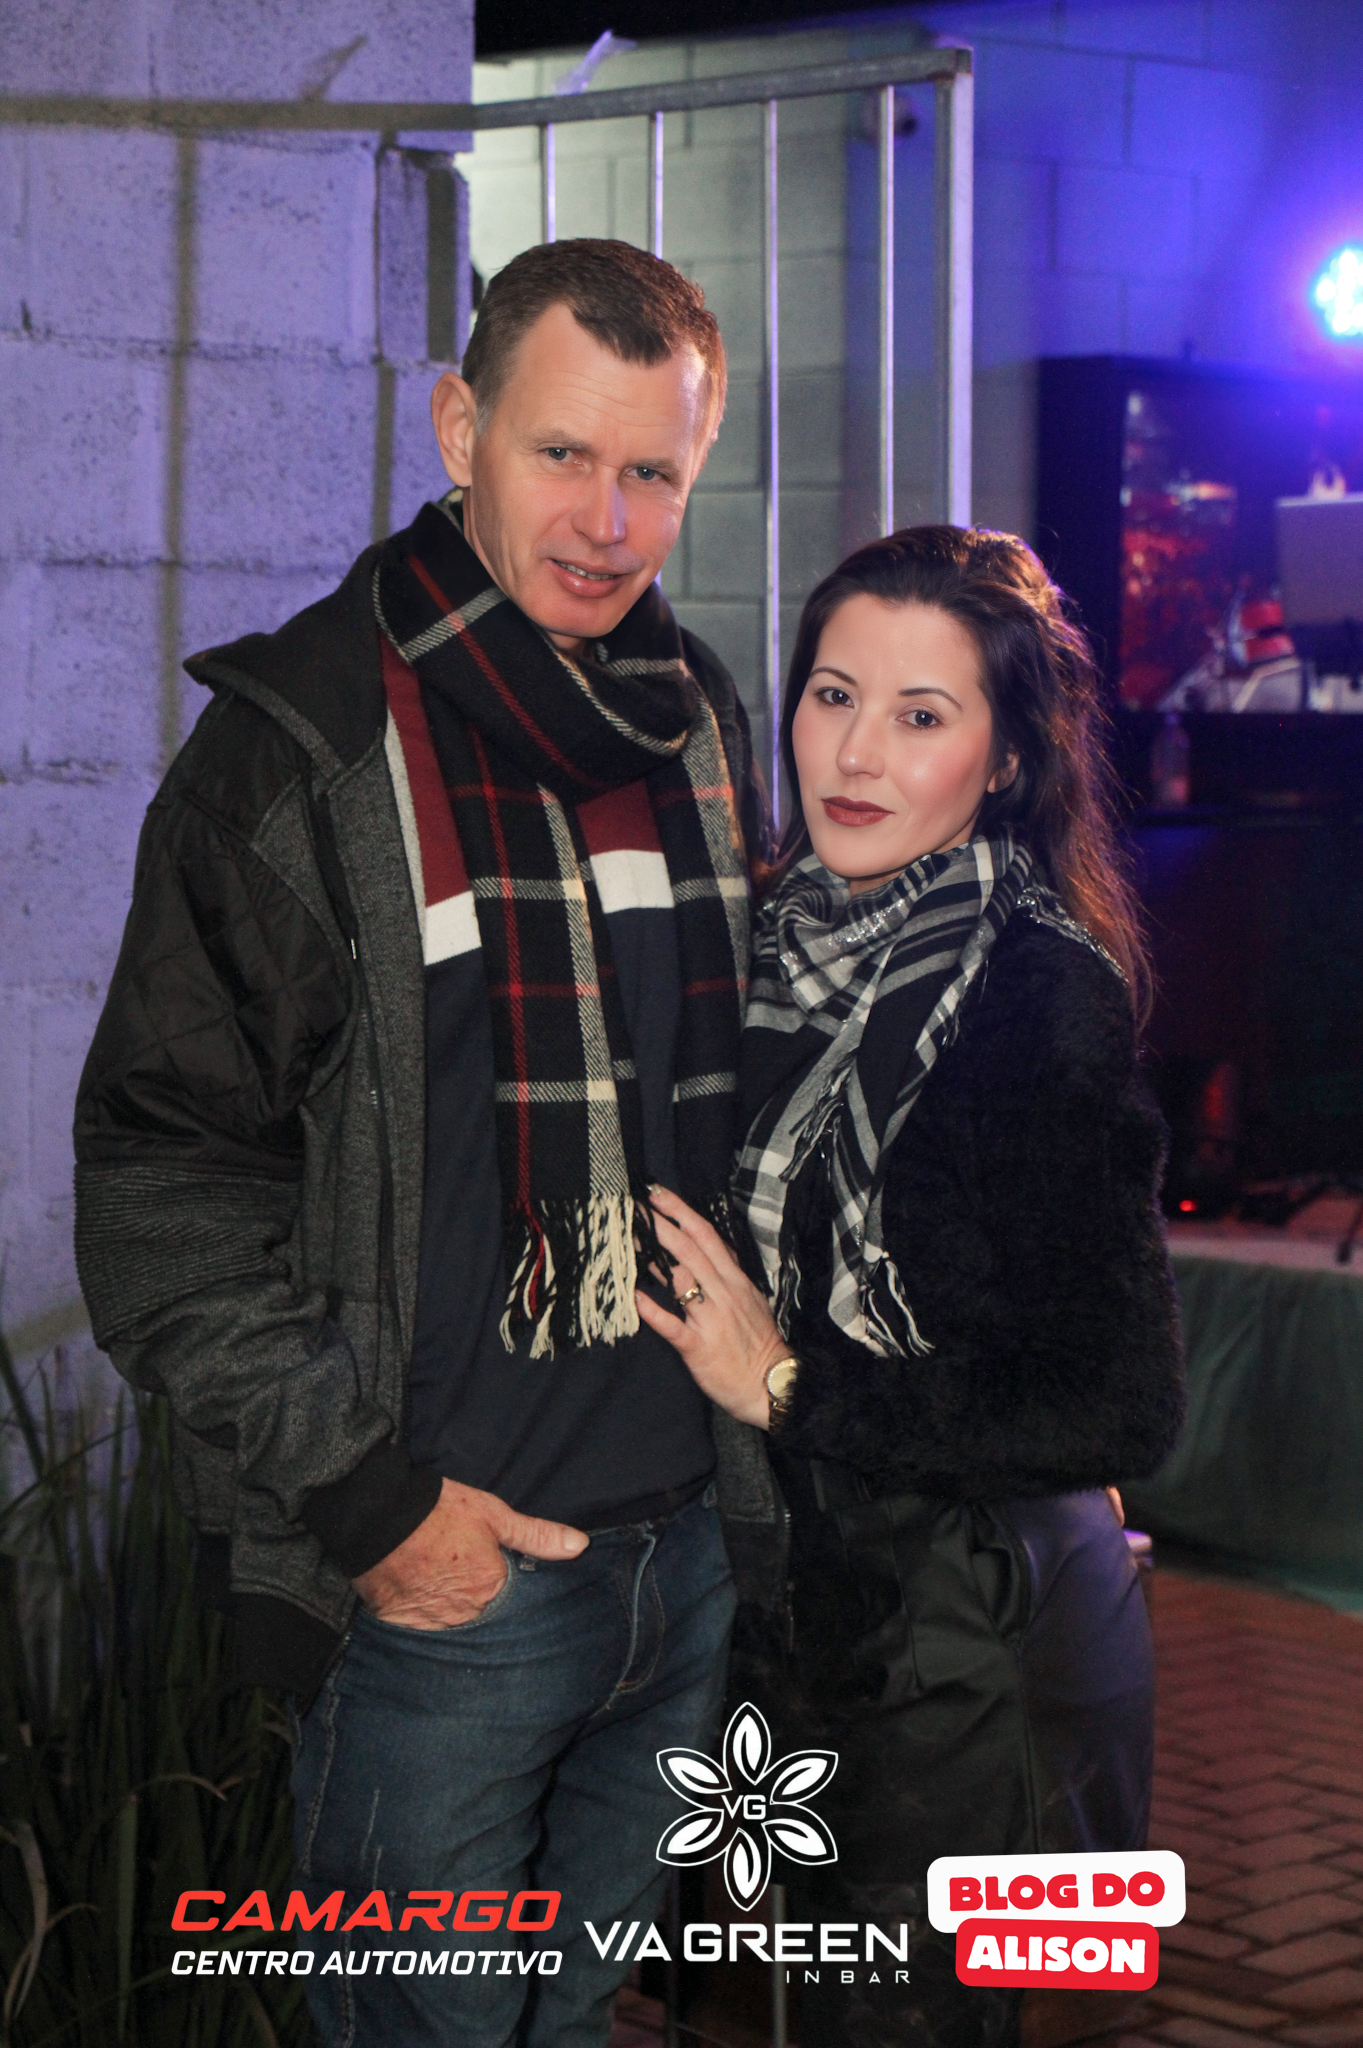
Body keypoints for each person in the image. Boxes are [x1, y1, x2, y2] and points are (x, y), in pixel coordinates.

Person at [73, 239, 769, 2046]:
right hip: (449, 1594)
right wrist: (378, 1515)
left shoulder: (695, 722)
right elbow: (159, 1198)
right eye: (561, 453)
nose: (605, 521)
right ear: (461, 429)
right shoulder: (297, 752)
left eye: (652, 472)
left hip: (684, 1561)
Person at [637, 526, 1186, 2048]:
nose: (857, 753)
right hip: (790, 1618)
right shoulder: (758, 943)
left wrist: (788, 1383)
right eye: (833, 695)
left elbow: (1118, 1402)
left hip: (970, 1638)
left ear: (1005, 761)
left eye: (920, 714)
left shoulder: (1036, 993)